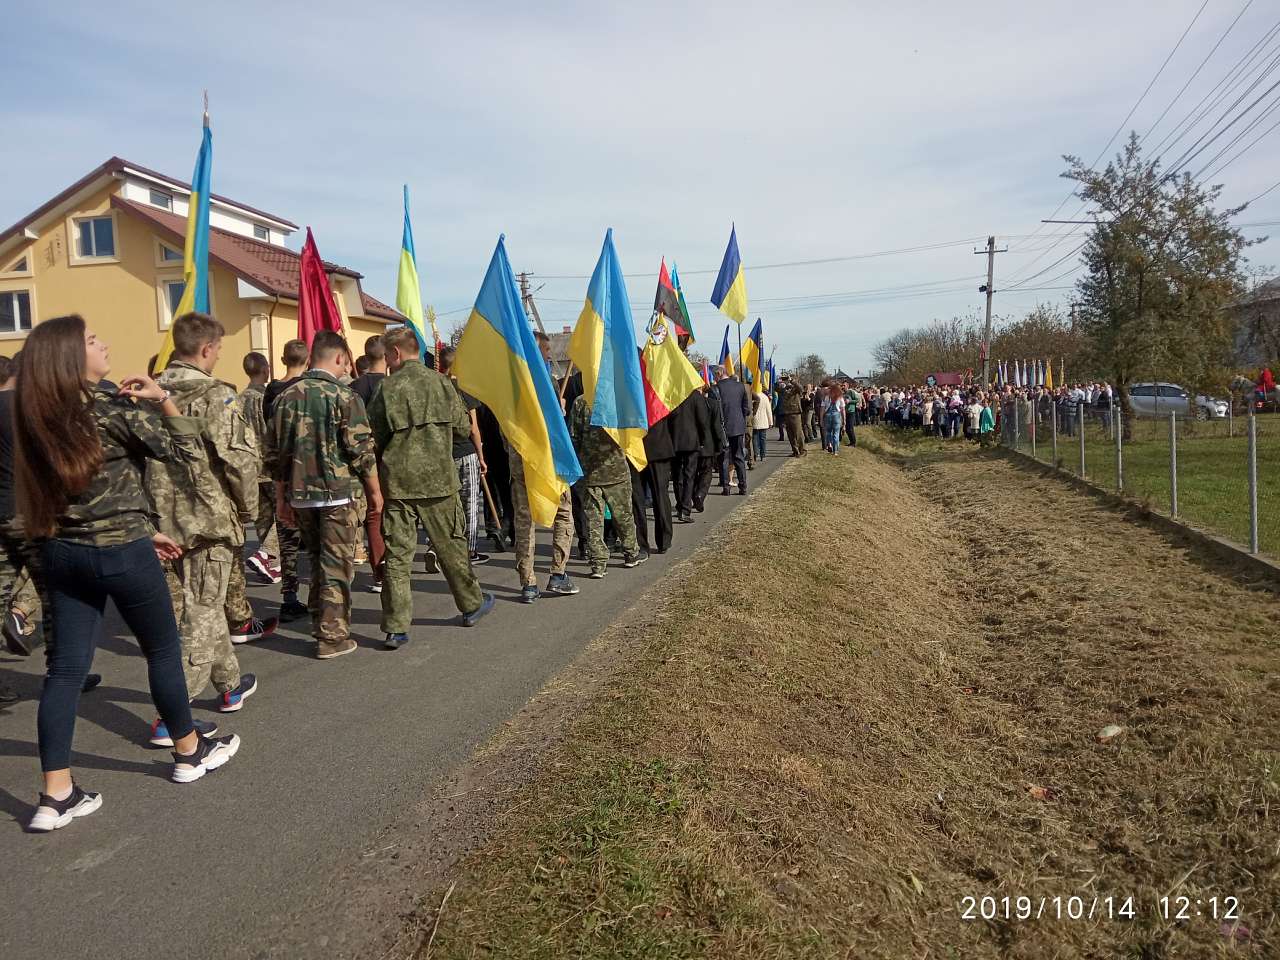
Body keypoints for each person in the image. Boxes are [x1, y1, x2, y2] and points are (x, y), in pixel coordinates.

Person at [17, 316, 242, 830]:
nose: (105, 344)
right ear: (74, 359)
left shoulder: (33, 414)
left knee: (65, 672)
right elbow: (186, 451)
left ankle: (56, 794)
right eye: (94, 341)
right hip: (122, 551)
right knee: (161, 650)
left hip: (64, 552)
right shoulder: (111, 407)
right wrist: (161, 397)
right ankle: (188, 751)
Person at [147, 313, 268, 745]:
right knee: (199, 611)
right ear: (205, 349)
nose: (218, 357)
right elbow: (238, 460)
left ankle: (229, 684)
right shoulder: (217, 396)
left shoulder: (147, 392)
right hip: (206, 519)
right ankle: (172, 718)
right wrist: (250, 508)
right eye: (218, 349)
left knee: (204, 603)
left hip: (159, 521)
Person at [366, 328, 494, 648]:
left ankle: (396, 627)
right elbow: (463, 427)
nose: (386, 360)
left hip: (398, 484)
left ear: (395, 354)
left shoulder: (386, 389)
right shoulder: (441, 383)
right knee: (451, 547)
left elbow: (375, 436)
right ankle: (470, 605)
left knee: (398, 556)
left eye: (387, 355)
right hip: (439, 482)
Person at [267, 330, 383, 660]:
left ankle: (321, 621)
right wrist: (375, 492)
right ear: (338, 359)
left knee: (317, 561)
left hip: (300, 495)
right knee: (336, 566)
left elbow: (274, 455)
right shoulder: (344, 397)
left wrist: (281, 498)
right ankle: (331, 636)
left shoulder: (285, 398)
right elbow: (361, 450)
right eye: (345, 361)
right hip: (338, 495)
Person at [507, 332, 576, 602]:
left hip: (520, 460)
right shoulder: (544, 381)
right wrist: (559, 411)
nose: (549, 355)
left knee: (524, 521)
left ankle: (528, 583)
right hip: (547, 462)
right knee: (563, 513)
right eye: (546, 350)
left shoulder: (511, 384)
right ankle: (557, 574)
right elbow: (551, 427)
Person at [568, 392, 647, 577]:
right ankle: (630, 553)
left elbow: (574, 436)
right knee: (623, 516)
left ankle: (598, 563)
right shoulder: (618, 398)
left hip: (589, 472)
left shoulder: (580, 402)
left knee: (593, 521)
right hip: (616, 470)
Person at [263, 338, 309, 621]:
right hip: (306, 471)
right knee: (315, 540)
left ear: (282, 359)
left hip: (280, 469)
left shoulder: (272, 391)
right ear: (307, 362)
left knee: (287, 539)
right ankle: (319, 597)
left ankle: (289, 596)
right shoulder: (306, 391)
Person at [436, 347, 489, 566]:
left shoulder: (436, 389)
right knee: (470, 503)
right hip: (466, 451)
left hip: (443, 454)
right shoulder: (465, 389)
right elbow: (473, 428)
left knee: (448, 503)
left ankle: (441, 547)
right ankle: (470, 550)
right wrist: (481, 455)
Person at [349, 335, 389, 591]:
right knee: (387, 515)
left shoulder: (353, 387)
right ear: (386, 356)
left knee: (373, 515)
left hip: (361, 459)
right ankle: (386, 570)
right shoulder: (391, 385)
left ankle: (379, 573)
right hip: (386, 457)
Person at [239, 351, 280, 585]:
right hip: (270, 463)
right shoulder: (268, 398)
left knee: (263, 517)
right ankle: (267, 553)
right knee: (284, 516)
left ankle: (271, 564)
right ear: (265, 370)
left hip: (250, 467)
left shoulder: (236, 399)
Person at [716, 367, 750, 495]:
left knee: (724, 458)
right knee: (739, 457)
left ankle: (726, 487)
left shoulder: (717, 388)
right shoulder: (740, 386)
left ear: (719, 374)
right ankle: (743, 486)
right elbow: (746, 408)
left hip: (723, 428)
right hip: (738, 426)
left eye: (716, 375)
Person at [778, 376, 806, 456]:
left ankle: (802, 450)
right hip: (786, 413)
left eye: (787, 379)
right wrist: (779, 381)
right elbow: (776, 389)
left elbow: (801, 389)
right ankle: (795, 451)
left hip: (795, 412)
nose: (786, 381)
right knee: (790, 434)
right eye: (785, 379)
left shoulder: (796, 388)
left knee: (798, 433)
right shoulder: (784, 388)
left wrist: (792, 381)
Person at [751, 378, 773, 462]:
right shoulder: (765, 397)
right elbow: (768, 410)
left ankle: (756, 454)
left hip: (755, 419)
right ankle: (763, 454)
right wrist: (771, 422)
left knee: (755, 438)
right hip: (764, 421)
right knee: (763, 438)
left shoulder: (753, 396)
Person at [823, 383, 846, 454]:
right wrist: (844, 420)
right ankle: (835, 451)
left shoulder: (827, 397)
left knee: (828, 432)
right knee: (836, 433)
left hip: (828, 415)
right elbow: (842, 410)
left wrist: (821, 418)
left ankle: (829, 444)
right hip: (836, 415)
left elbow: (823, 408)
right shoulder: (840, 397)